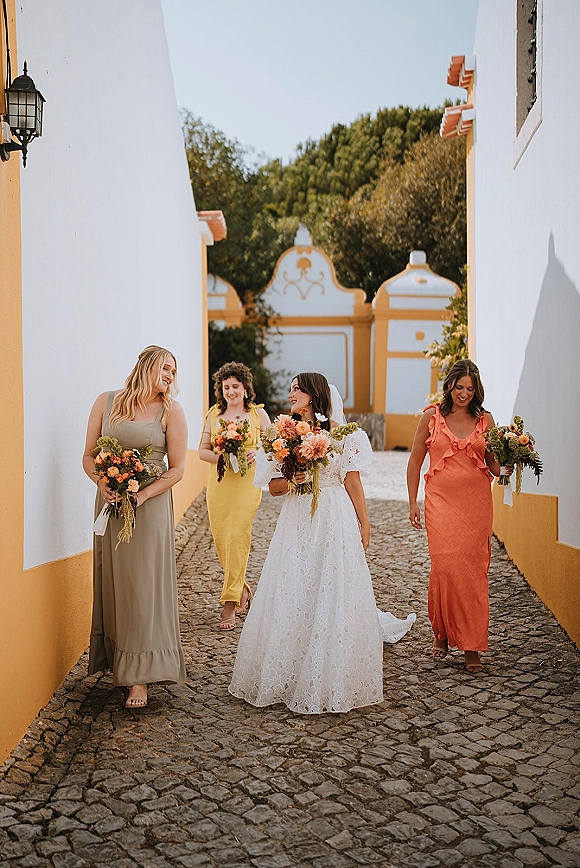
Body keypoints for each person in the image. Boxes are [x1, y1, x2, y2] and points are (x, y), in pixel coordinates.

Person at [228, 372, 415, 714]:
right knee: (296, 584)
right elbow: (273, 489)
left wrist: (364, 521)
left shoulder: (342, 435)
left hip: (333, 514)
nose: (290, 394)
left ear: (313, 394)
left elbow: (351, 480)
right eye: (289, 389)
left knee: (331, 583)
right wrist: (293, 477)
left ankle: (330, 663)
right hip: (297, 518)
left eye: (296, 388)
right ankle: (289, 664)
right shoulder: (281, 437)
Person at [82, 346, 188, 708]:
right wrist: (103, 482)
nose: (171, 375)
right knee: (117, 583)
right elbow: (88, 455)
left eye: (175, 371)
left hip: (150, 507)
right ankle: (118, 660)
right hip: (111, 505)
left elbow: (176, 469)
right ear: (147, 365)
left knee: (143, 585)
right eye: (166, 367)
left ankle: (139, 678)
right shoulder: (105, 401)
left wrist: (142, 497)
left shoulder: (171, 412)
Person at [406, 358, 503, 674]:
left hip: (475, 504)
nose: (464, 393)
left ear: (477, 391)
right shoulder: (431, 418)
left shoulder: (485, 420)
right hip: (440, 503)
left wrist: (510, 459)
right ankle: (442, 633)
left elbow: (494, 464)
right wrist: (412, 502)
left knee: (474, 572)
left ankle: (472, 645)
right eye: (459, 387)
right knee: (445, 567)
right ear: (449, 385)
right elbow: (415, 461)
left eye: (470, 388)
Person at [199, 362, 270, 630]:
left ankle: (229, 604)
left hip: (247, 486)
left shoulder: (258, 415)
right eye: (226, 387)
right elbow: (201, 451)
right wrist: (221, 456)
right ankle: (242, 589)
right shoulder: (214, 415)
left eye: (235, 386)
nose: (230, 391)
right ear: (221, 389)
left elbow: (274, 448)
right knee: (222, 539)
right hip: (219, 486)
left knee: (237, 535)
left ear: (245, 388)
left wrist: (258, 453)